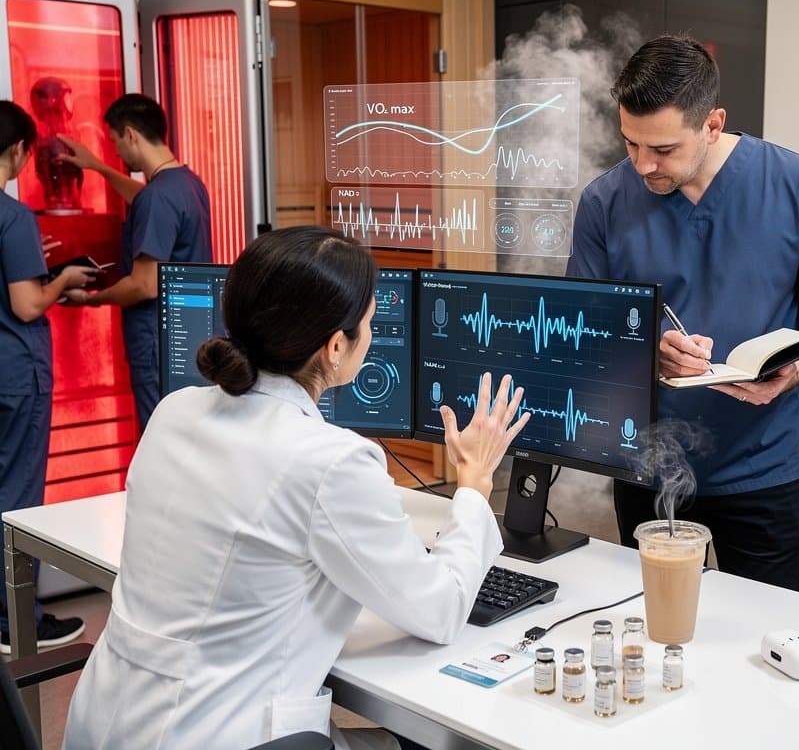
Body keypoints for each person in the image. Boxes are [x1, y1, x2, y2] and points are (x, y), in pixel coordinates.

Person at [63, 226, 531, 749]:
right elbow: (440, 611)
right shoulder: (331, 462)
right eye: (370, 323)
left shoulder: (174, 411)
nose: (372, 335)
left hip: (101, 727)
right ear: (336, 347)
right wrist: (474, 484)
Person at [567, 35, 799, 593]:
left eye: (663, 149)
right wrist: (646, 353)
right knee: (658, 627)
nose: (642, 164)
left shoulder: (797, 184)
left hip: (765, 468)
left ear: (712, 123)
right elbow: (583, 330)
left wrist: (793, 369)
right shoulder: (604, 202)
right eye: (630, 143)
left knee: (772, 631)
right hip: (648, 466)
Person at [0, 99, 95, 653]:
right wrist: (61, 281)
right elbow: (27, 304)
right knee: (16, 497)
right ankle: (17, 621)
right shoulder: (14, 217)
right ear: (19, 151)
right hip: (16, 374)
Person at [59, 93, 212, 431]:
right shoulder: (188, 184)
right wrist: (98, 167)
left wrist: (90, 299)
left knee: (161, 436)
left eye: (115, 141)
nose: (116, 152)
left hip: (158, 341)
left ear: (130, 134)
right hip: (192, 334)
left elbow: (144, 285)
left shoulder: (157, 197)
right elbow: (146, 200)